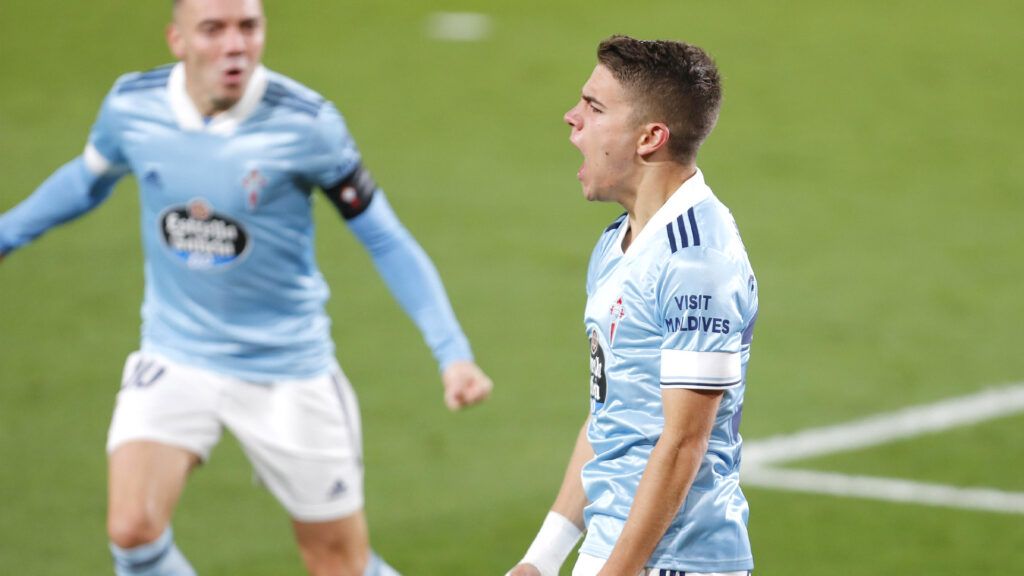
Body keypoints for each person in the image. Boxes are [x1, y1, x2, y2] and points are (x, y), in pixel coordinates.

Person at [0, 0, 494, 574]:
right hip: (176, 355)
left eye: (248, 27)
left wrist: (452, 352)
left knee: (339, 565)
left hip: (288, 371)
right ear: (176, 39)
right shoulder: (132, 106)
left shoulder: (307, 123)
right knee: (132, 530)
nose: (235, 45)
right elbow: (87, 180)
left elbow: (385, 239)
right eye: (213, 29)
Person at [507, 36, 758, 576]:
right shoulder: (618, 242)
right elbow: (609, 416)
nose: (572, 118)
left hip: (677, 560)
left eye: (594, 108)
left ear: (650, 137)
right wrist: (542, 559)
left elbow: (684, 442)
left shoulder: (697, 261)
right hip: (615, 550)